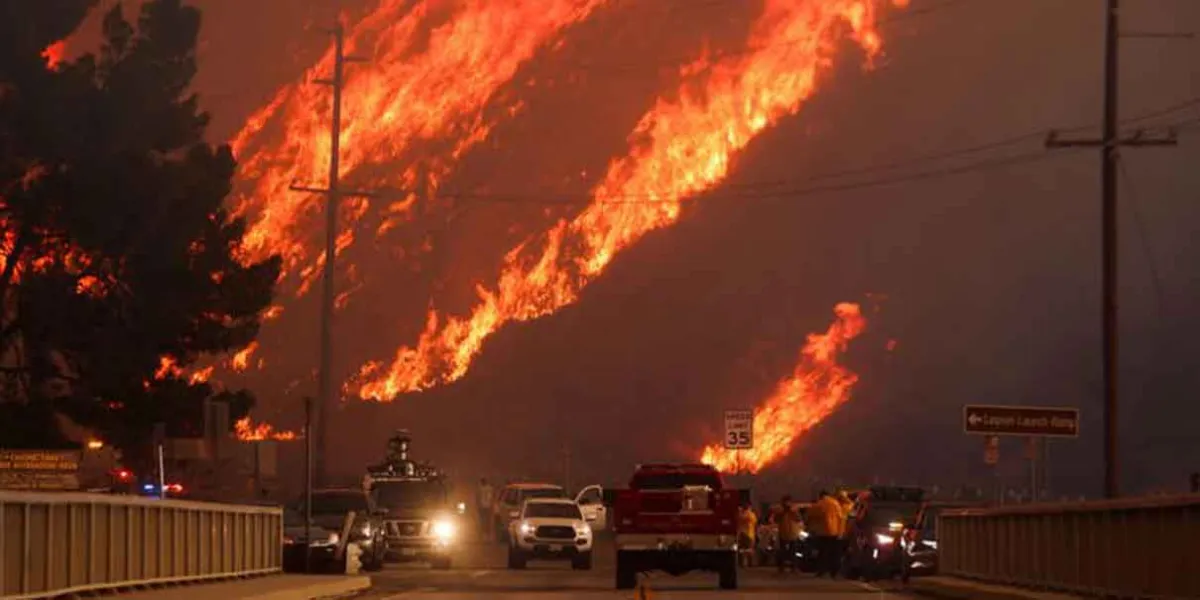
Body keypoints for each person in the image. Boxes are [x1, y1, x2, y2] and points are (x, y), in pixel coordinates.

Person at [807, 490, 847, 578]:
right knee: (835, 553)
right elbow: (841, 518)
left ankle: (822, 571)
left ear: (821, 496)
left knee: (823, 552)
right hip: (835, 532)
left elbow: (811, 515)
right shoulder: (835, 503)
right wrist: (841, 531)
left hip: (823, 532)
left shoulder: (820, 504)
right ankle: (834, 572)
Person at [772, 495, 803, 572]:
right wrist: (783, 513)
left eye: (788, 501)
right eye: (785, 501)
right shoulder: (779, 510)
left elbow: (799, 518)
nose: (787, 503)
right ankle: (782, 567)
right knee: (782, 551)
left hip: (793, 532)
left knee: (793, 551)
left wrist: (792, 512)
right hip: (783, 532)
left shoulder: (794, 510)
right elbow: (776, 519)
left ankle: (794, 567)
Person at [737, 502, 758, 567]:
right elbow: (755, 523)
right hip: (749, 534)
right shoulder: (751, 514)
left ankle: (742, 563)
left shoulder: (740, 514)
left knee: (742, 549)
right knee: (749, 548)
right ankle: (749, 563)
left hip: (742, 533)